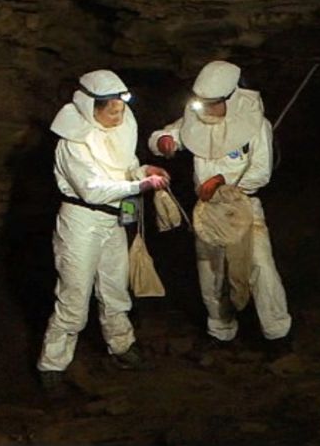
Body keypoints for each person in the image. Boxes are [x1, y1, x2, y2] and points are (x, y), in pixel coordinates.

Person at [37, 70, 170, 394]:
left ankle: (122, 346)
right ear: (88, 107)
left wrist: (144, 170)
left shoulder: (121, 128)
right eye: (110, 109)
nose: (118, 115)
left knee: (115, 288)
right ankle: (52, 365)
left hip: (114, 220)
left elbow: (122, 167)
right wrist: (140, 184)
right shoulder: (72, 142)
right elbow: (92, 189)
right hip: (81, 222)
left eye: (121, 108)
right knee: (74, 297)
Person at [148, 60, 292, 356]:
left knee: (260, 267)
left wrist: (220, 180)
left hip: (242, 207)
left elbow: (262, 172)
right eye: (203, 104)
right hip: (207, 211)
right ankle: (220, 330)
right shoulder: (196, 119)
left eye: (213, 104)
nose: (207, 110)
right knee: (211, 272)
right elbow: (167, 136)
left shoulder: (256, 125)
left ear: (231, 97)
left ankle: (277, 334)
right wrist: (162, 141)